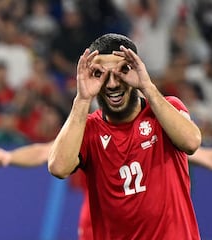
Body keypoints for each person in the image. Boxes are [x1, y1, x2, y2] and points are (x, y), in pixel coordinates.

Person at [46, 32, 202, 239]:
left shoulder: (166, 109)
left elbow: (191, 142)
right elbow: (58, 167)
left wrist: (147, 86)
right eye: (100, 74)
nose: (112, 84)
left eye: (122, 71)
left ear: (136, 69)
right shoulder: (89, 129)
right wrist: (82, 99)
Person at [0, 142, 212, 240]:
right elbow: (44, 152)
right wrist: (10, 157)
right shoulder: (92, 134)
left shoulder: (155, 136)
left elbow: (210, 156)